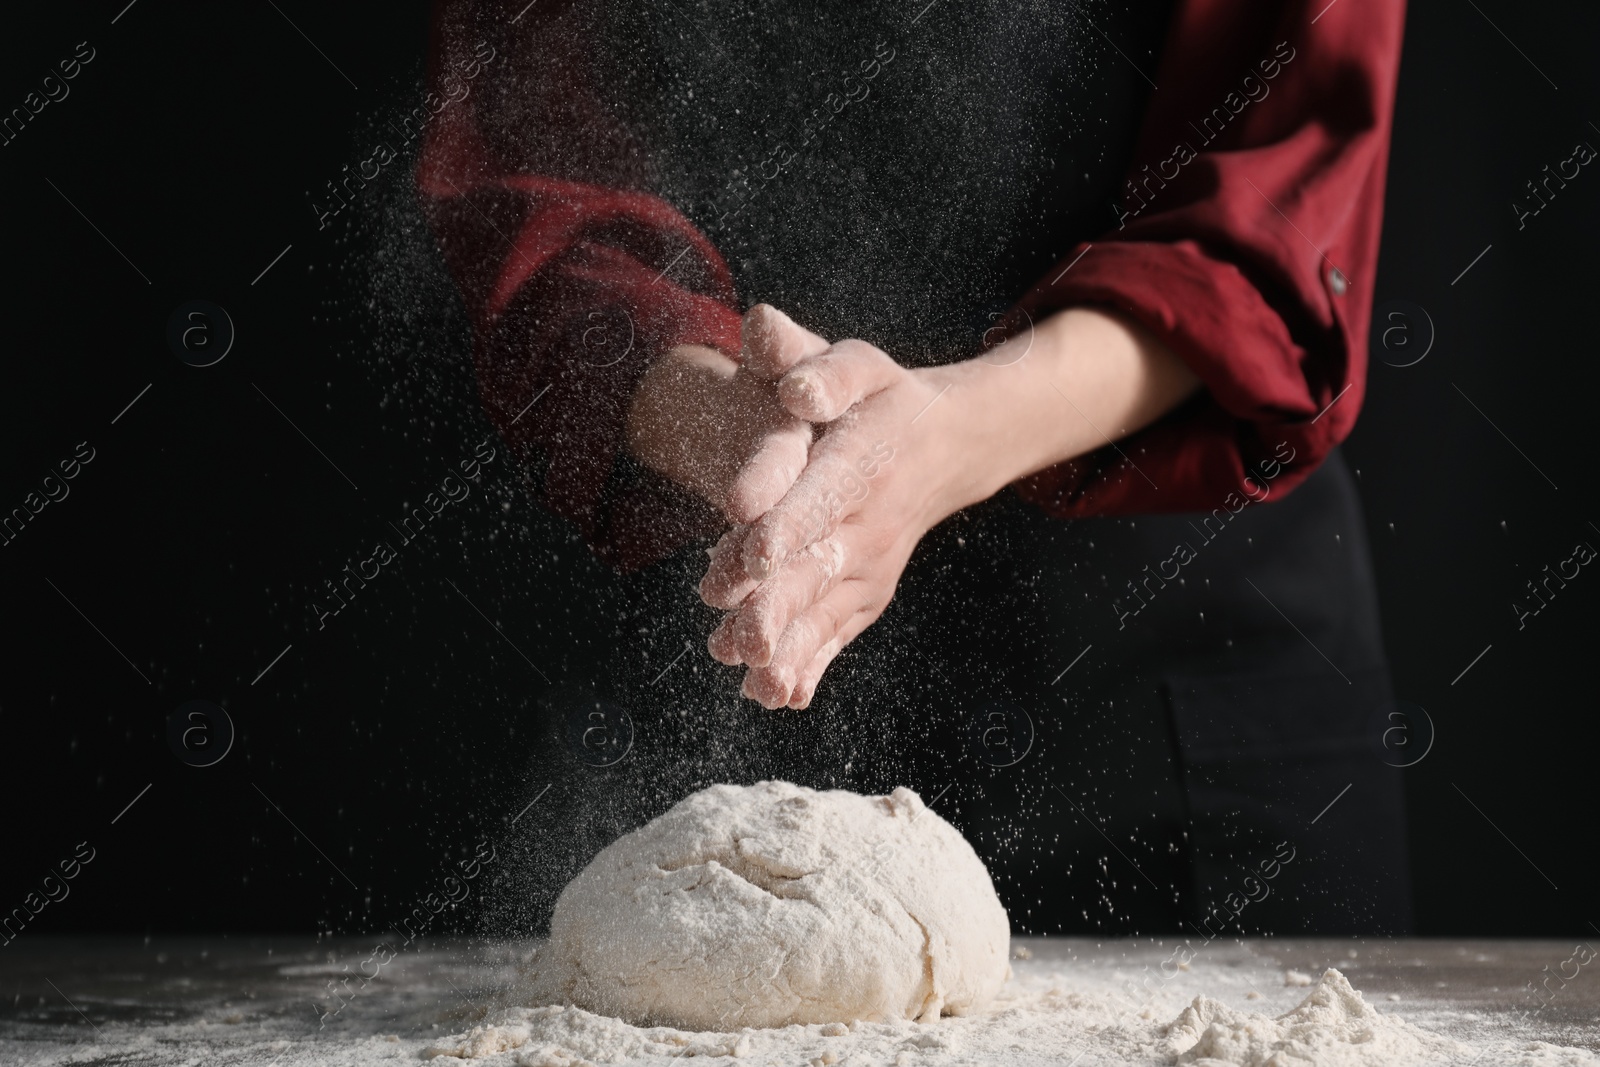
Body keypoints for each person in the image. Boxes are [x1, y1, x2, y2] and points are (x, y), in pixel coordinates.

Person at [419, 0, 1413, 936]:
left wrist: (945, 433)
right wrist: (730, 424)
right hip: (738, 604)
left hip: (1177, 664)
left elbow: (1275, 229)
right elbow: (532, 166)